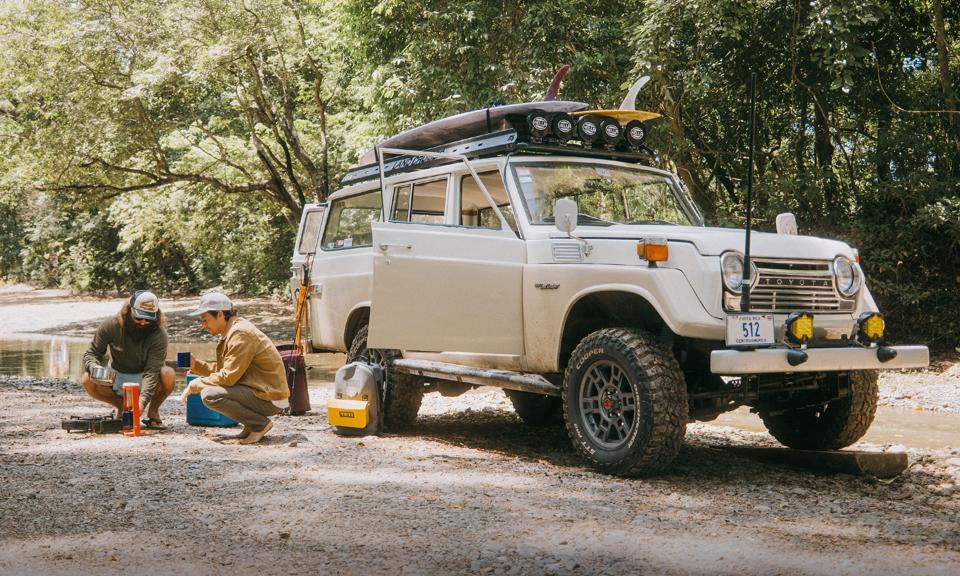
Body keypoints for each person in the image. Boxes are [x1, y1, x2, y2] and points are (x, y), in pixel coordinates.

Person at [180, 292, 289, 444]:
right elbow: (227, 369)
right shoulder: (233, 331)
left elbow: (228, 377)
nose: (203, 325)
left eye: (205, 320)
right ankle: (251, 425)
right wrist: (197, 366)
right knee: (212, 389)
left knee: (209, 394)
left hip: (270, 397)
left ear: (219, 314)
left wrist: (195, 384)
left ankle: (259, 425)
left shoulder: (240, 333)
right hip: (261, 391)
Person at [82, 290, 174, 428]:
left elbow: (152, 372)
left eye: (148, 319)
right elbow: (92, 353)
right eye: (139, 317)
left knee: (168, 374)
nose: (143, 322)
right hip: (117, 376)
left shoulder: (159, 335)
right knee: (86, 379)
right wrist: (94, 367)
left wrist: (141, 403)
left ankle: (153, 412)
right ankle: (123, 407)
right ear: (129, 310)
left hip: (145, 377)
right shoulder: (110, 326)